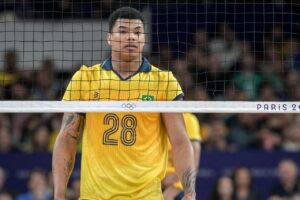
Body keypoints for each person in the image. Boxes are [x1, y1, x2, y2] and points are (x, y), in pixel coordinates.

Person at [52, 7, 196, 200]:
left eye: (137, 32)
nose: (131, 37)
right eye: (123, 31)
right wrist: (59, 194)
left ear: (144, 38)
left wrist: (189, 192)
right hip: (95, 196)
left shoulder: (164, 81)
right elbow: (67, 137)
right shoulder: (85, 78)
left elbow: (180, 141)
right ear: (109, 38)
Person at [162, 113, 201, 200]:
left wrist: (176, 186)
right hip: (153, 179)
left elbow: (194, 159)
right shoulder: (152, 116)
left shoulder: (189, 119)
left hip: (176, 182)